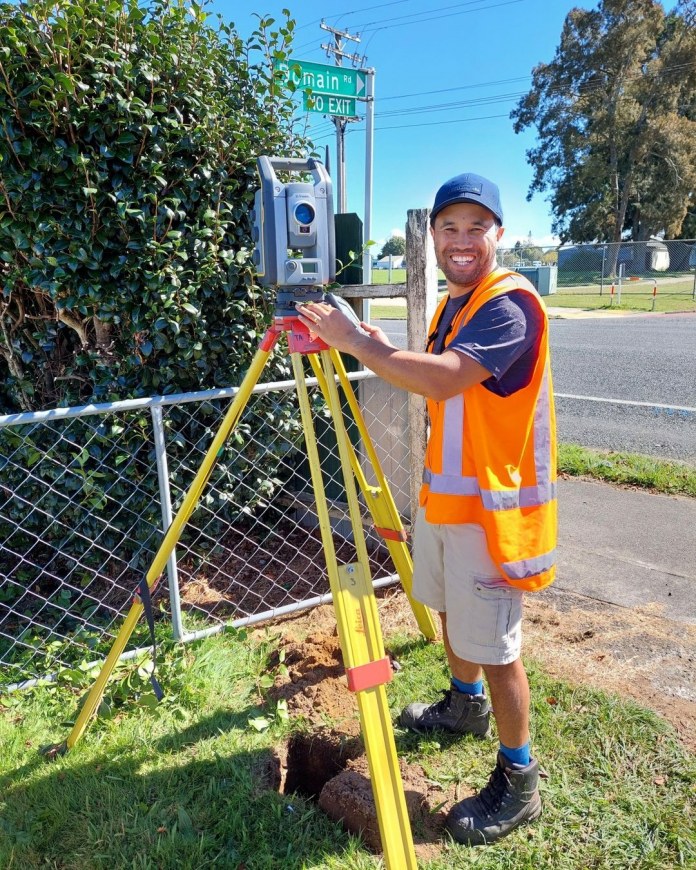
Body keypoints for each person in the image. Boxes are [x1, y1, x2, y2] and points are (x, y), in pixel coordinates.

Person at [296, 172, 557, 847]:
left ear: (499, 234)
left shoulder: (510, 305)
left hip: (491, 517)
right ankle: (463, 706)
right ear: (434, 235)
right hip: (447, 504)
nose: (462, 240)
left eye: (477, 228)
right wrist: (360, 337)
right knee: (447, 614)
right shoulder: (454, 307)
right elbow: (422, 367)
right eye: (450, 228)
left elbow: (443, 379)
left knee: (496, 649)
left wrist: (358, 344)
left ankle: (519, 780)